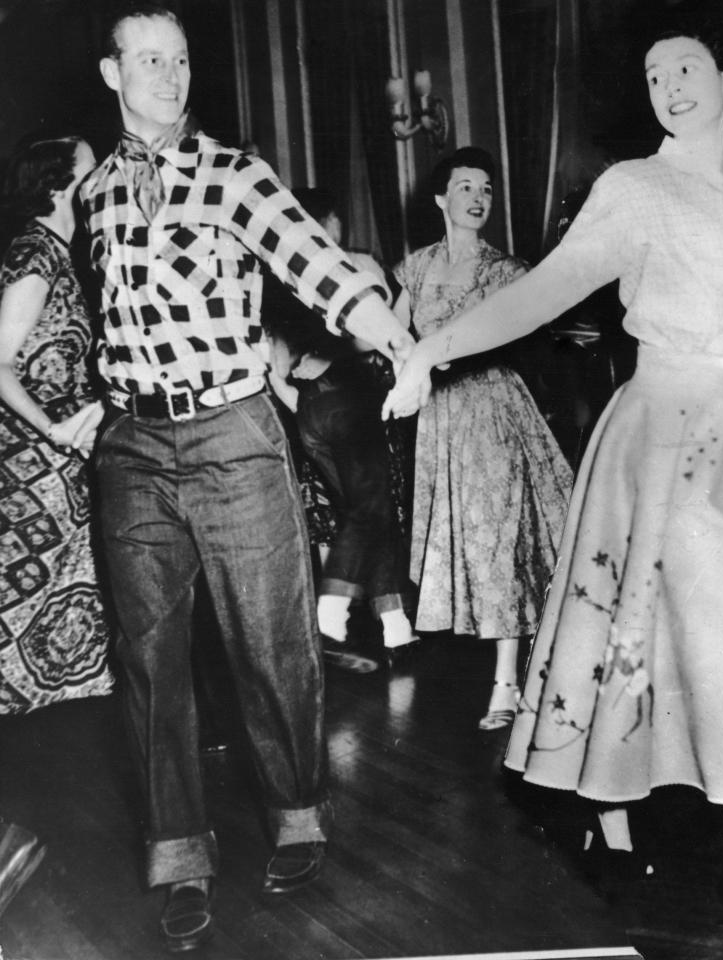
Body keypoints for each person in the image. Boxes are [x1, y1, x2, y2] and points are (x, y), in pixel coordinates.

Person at [383, 26, 723, 959]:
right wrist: (428, 352)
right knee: (707, 641)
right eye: (652, 74)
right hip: (662, 429)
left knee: (651, 640)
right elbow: (545, 291)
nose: (669, 85)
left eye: (687, 68)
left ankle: (618, 822)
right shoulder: (633, 189)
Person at [77, 4, 414, 953]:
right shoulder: (95, 195)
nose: (169, 75)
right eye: (149, 59)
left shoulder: (232, 174)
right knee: (148, 659)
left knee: (270, 642)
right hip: (133, 447)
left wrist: (391, 336)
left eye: (180, 59)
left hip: (232, 432)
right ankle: (178, 852)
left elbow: (316, 265)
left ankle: (299, 810)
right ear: (113, 74)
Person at [391, 146, 573, 730]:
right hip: (439, 423)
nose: (477, 197)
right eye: (466, 187)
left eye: (486, 189)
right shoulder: (415, 268)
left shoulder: (506, 270)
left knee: (499, 546)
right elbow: (395, 337)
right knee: (468, 548)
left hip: (492, 411)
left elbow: (510, 335)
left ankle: (506, 684)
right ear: (442, 198)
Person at [264, 189, 417, 657]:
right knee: (371, 510)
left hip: (310, 406)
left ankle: (394, 626)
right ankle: (328, 616)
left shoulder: (279, 276)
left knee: (368, 511)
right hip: (352, 398)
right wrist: (401, 321)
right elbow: (370, 340)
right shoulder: (356, 265)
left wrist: (294, 397)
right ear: (329, 225)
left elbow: (273, 357)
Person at [0, 135, 112, 715]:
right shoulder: (37, 254)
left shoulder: (64, 253)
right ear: (59, 183)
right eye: (93, 168)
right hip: (30, 461)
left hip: (62, 457)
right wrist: (51, 428)